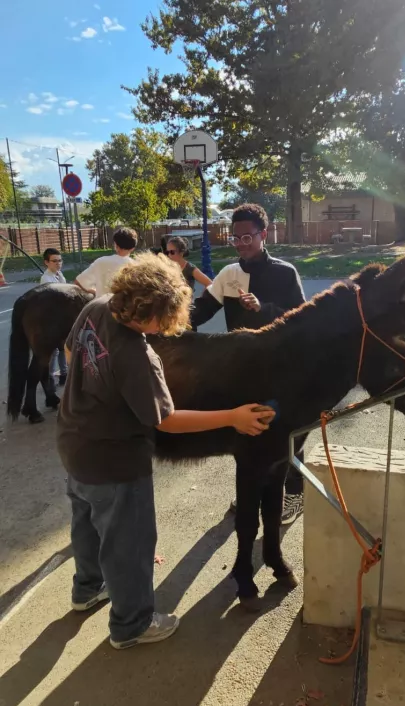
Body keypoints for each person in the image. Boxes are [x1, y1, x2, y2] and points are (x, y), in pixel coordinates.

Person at [57, 252, 274, 650]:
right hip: (116, 462)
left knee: (86, 524)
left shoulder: (97, 306)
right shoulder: (138, 355)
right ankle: (132, 624)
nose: (167, 327)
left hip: (74, 442)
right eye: (167, 318)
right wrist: (232, 416)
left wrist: (98, 388)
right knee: (129, 543)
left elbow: (72, 354)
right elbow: (166, 420)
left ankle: (86, 589)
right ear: (154, 312)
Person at [191, 203, 306, 525]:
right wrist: (169, 323)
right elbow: (200, 310)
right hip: (243, 371)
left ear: (264, 235)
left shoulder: (285, 273)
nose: (241, 243)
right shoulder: (229, 275)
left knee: (286, 433)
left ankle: (295, 492)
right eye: (236, 238)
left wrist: (264, 308)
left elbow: (301, 318)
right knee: (247, 431)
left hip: (282, 368)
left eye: (247, 237)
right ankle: (250, 490)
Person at [74, 226, 137, 297]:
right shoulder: (136, 267)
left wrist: (95, 292)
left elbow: (79, 281)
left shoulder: (101, 261)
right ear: (132, 248)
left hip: (101, 305)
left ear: (115, 244)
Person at [40, 247, 68, 386]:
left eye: (60, 260)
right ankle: (50, 377)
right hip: (52, 320)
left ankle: (64, 373)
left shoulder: (59, 274)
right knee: (54, 351)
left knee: (63, 347)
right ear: (47, 262)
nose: (58, 263)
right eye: (54, 261)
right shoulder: (46, 279)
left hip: (62, 318)